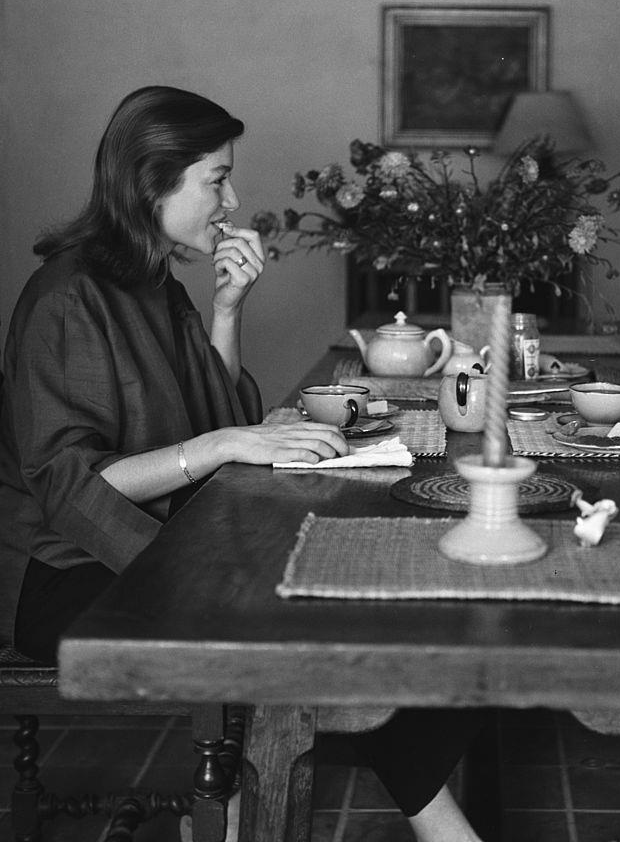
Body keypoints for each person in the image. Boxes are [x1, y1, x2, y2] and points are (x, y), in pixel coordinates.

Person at [0, 86, 485, 842]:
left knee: (347, 590)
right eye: (216, 179)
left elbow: (217, 425)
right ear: (150, 182)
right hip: (70, 577)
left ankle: (243, 810)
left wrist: (229, 310)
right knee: (294, 614)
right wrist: (225, 446)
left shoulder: (153, 282)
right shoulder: (67, 297)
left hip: (156, 547)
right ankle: (360, 818)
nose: (233, 199)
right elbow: (72, 487)